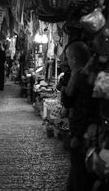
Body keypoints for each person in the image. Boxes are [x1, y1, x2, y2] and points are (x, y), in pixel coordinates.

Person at [62, 41, 99, 191]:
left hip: (83, 136)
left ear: (75, 59)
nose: (67, 62)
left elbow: (87, 110)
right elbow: (67, 102)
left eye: (68, 58)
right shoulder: (77, 76)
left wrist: (77, 135)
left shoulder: (86, 78)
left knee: (80, 177)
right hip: (78, 132)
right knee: (76, 174)